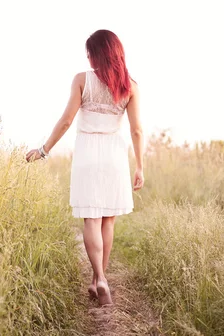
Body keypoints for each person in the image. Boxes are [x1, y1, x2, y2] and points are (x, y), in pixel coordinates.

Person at [25, 29, 144, 307]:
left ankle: (99, 278)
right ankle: (98, 280)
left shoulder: (82, 80)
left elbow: (66, 121)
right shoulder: (130, 86)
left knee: (90, 218)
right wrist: (140, 166)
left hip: (88, 153)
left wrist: (43, 150)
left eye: (89, 52)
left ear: (97, 54)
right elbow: (137, 130)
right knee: (108, 219)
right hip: (115, 156)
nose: (87, 57)